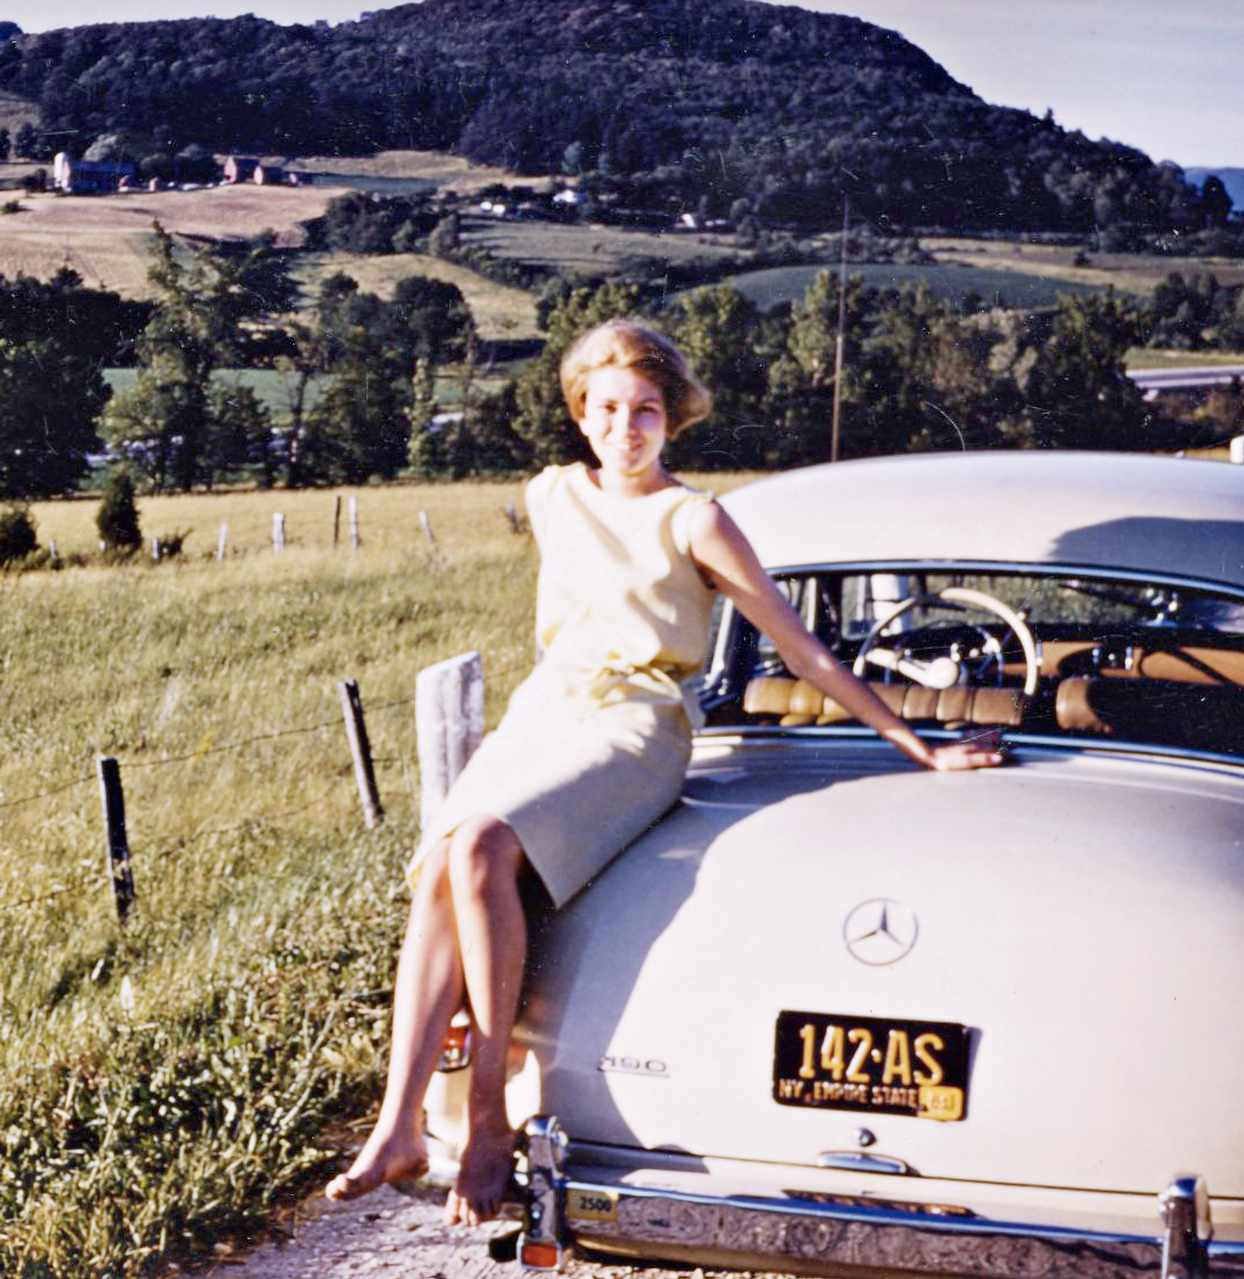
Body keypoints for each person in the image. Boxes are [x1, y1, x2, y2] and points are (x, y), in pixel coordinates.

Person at [325, 318, 1004, 1225]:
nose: (626, 427)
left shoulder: (697, 518)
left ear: (672, 418)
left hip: (638, 727)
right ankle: (398, 1123)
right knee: (445, 867)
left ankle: (487, 1119)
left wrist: (916, 740)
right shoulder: (551, 496)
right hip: (544, 714)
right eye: (607, 408)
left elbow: (802, 649)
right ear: (581, 413)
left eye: (646, 409)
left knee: (482, 842)